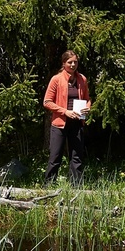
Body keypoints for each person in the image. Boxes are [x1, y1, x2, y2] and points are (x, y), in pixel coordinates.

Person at [42, 50, 91, 185]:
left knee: (77, 157)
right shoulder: (56, 79)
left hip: (77, 123)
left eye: (75, 62)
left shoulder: (82, 79)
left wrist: (88, 106)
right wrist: (65, 111)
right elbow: (47, 102)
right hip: (59, 124)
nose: (73, 65)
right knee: (55, 156)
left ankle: (76, 186)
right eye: (70, 62)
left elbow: (87, 99)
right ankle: (49, 186)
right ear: (64, 63)